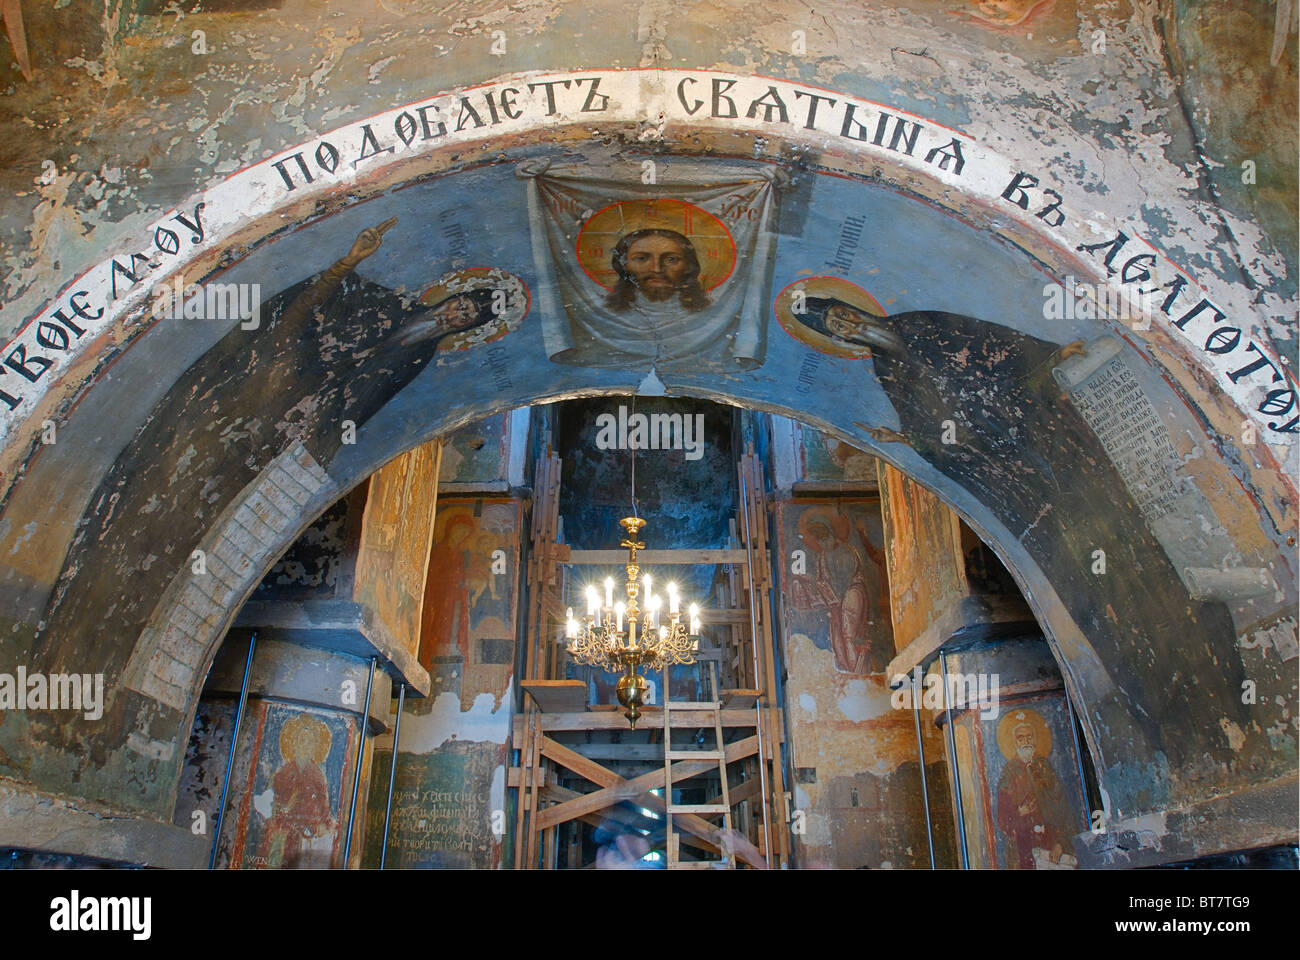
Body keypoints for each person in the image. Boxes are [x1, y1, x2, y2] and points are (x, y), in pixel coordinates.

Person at [995, 715, 1076, 869]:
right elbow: (1003, 818)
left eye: (1029, 737)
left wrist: (1060, 843)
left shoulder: (1045, 767)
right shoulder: (1009, 772)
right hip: (1023, 845)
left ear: (1035, 740)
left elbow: (1063, 808)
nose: (1025, 742)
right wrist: (1019, 813)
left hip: (1050, 841)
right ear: (1015, 743)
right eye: (1020, 738)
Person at [605, 229, 710, 312]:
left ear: (688, 266)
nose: (657, 269)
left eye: (671, 259)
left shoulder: (707, 313)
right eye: (641, 258)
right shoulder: (609, 312)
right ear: (624, 264)